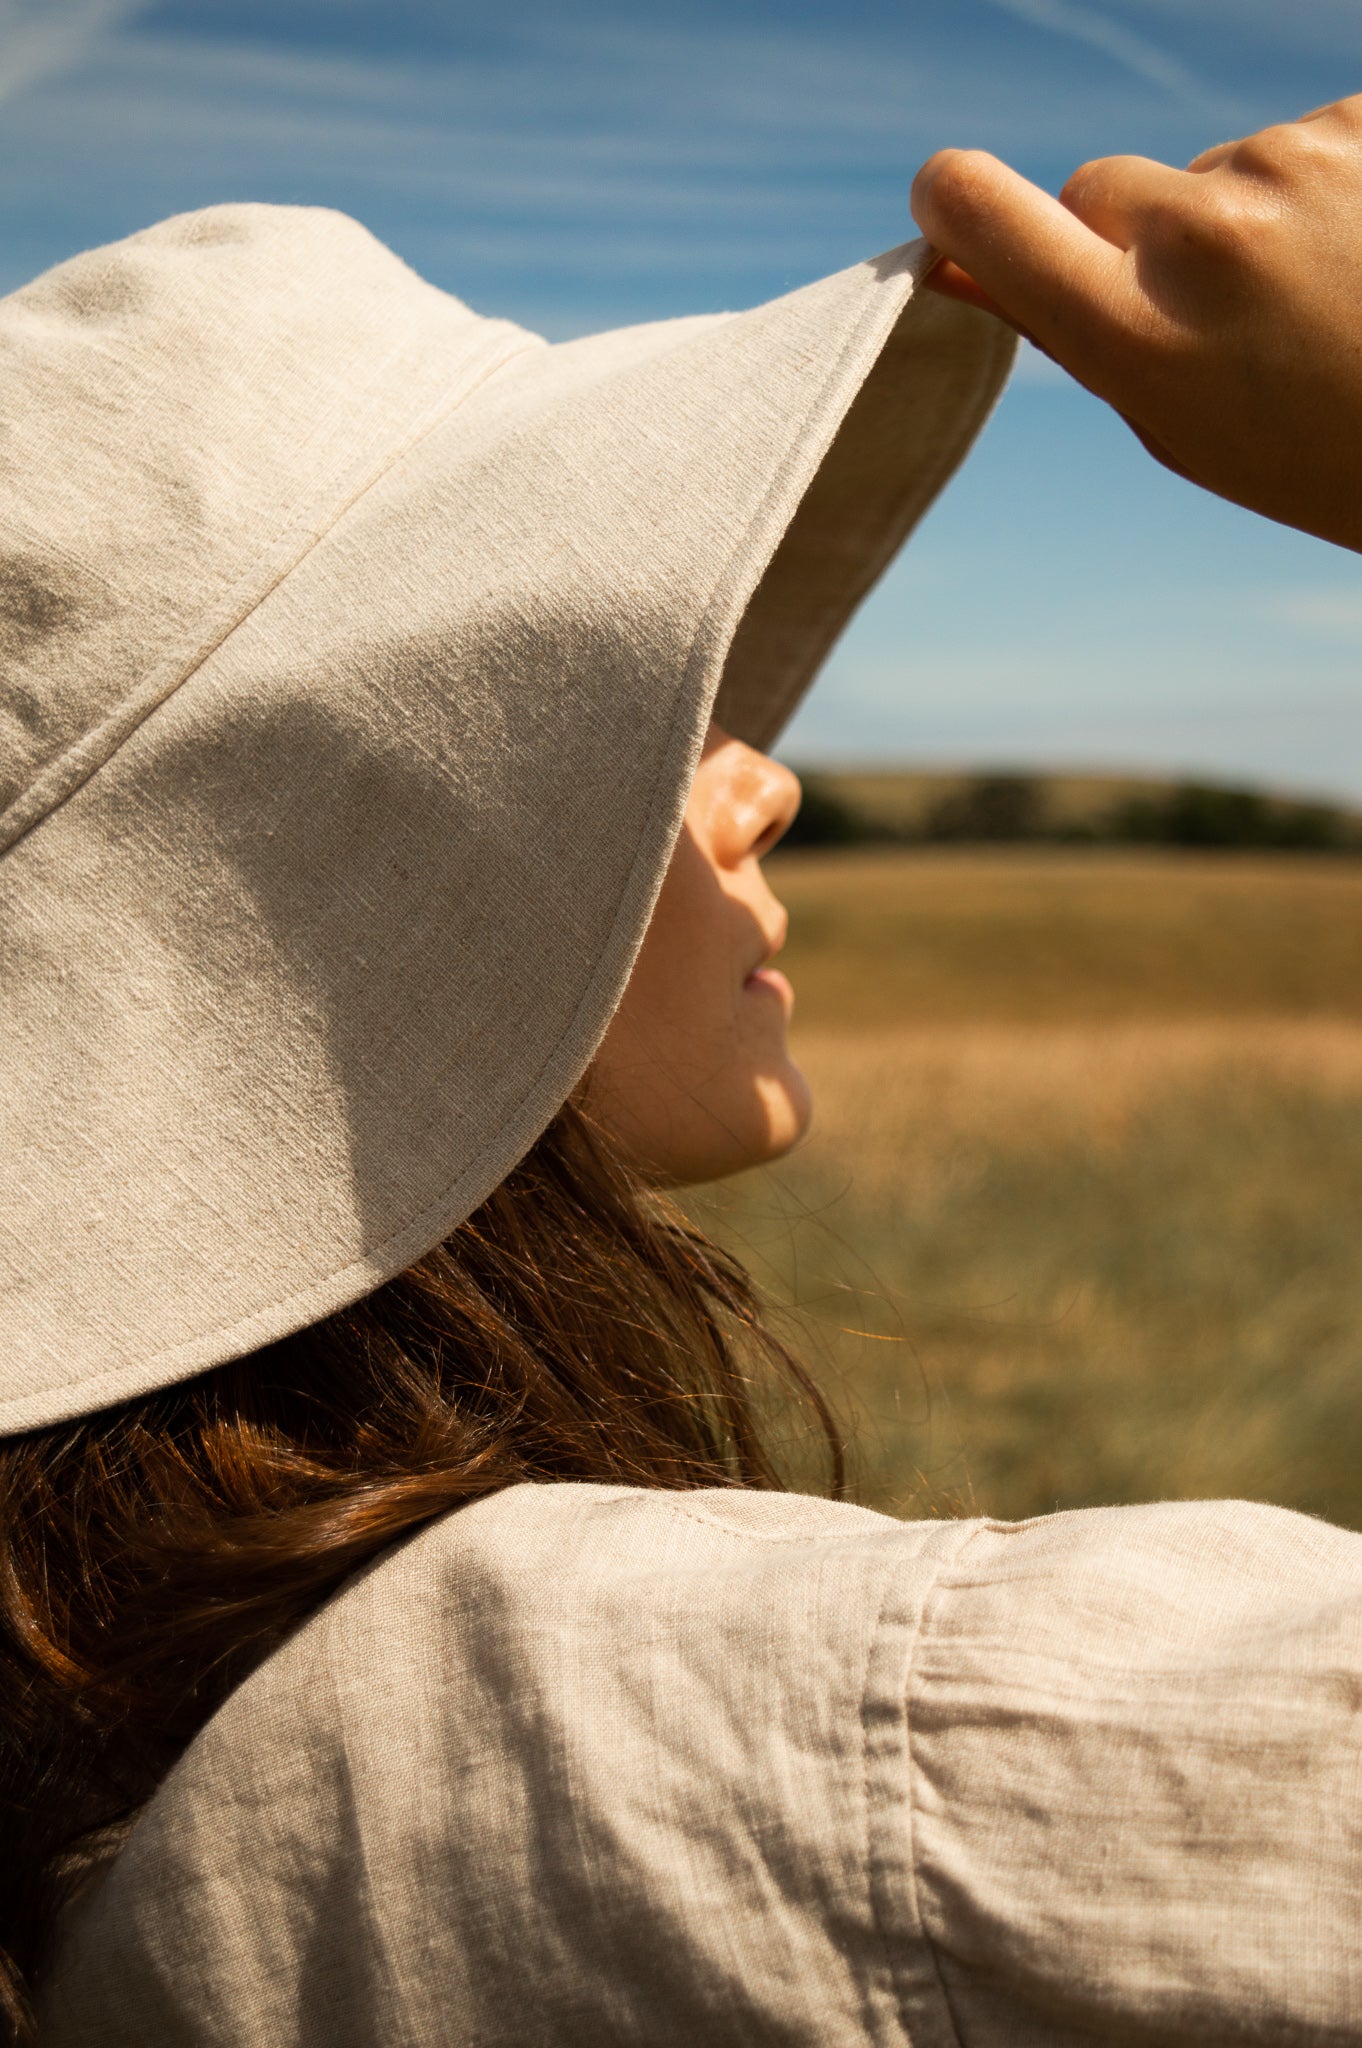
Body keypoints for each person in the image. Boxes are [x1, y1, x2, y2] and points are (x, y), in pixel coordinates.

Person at [1, 93, 1361, 2048]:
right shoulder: (757, 1756)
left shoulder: (117, 1698)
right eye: (589, 715)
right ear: (319, 913)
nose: (766, 778)